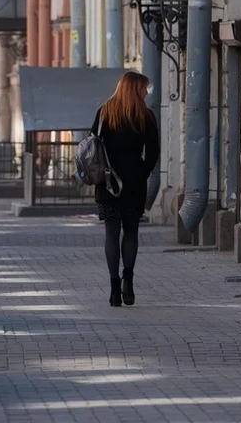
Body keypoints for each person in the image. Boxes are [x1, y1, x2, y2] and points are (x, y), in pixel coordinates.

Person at [91, 71, 160, 307]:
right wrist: (143, 173)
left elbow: (93, 144)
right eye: (144, 88)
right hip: (134, 182)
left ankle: (113, 289)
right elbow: (153, 153)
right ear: (136, 89)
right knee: (131, 232)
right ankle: (127, 281)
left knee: (111, 233)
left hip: (107, 181)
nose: (146, 92)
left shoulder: (105, 112)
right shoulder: (145, 116)